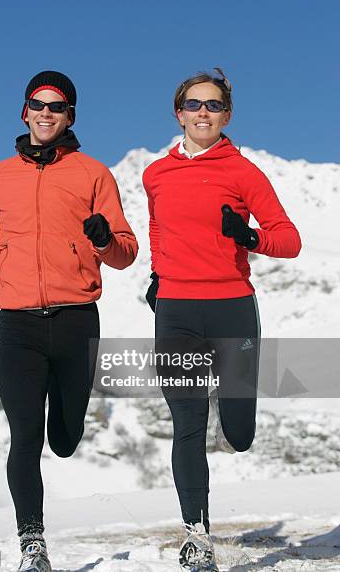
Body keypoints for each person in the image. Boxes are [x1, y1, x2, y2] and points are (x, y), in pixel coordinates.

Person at [0, 70, 138, 572]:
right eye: (37, 103)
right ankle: (33, 545)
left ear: (70, 116)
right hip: (19, 325)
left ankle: (65, 429)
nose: (46, 112)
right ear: (24, 112)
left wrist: (102, 238)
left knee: (63, 440)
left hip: (75, 322)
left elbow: (126, 253)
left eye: (57, 105)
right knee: (24, 435)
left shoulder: (94, 174)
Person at [142, 68, 301, 571]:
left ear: (227, 114)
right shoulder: (156, 174)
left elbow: (289, 239)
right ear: (178, 112)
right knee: (187, 422)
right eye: (194, 104)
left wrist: (250, 237)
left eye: (213, 105)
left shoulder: (244, 173)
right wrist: (158, 272)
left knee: (238, 432)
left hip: (232, 306)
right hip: (176, 310)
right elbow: (158, 226)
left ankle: (236, 406)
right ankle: (197, 533)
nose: (203, 113)